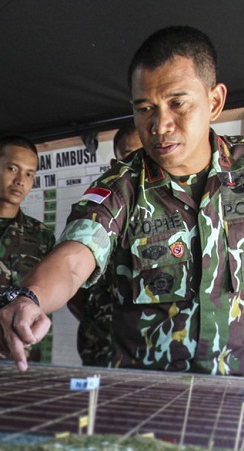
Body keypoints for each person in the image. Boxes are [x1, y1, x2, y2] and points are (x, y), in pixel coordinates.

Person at [0, 26, 244, 379]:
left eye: (177, 103)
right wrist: (27, 299)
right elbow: (74, 259)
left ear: (214, 101)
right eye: (145, 109)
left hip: (232, 389)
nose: (159, 125)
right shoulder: (120, 188)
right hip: (145, 400)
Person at [66, 123, 142, 366]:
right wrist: (94, 319)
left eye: (146, 154)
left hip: (152, 350)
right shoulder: (99, 210)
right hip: (103, 348)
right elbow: (71, 277)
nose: (140, 163)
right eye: (130, 156)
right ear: (115, 164)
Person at [0, 135, 56, 362]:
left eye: (29, 174)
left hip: (23, 357)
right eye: (12, 169)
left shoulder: (42, 236)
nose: (20, 180)